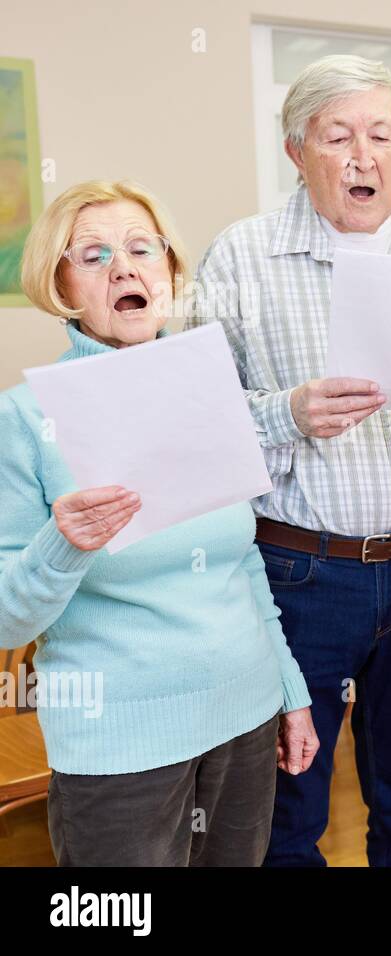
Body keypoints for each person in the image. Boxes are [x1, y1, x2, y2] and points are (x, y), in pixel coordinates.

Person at [187, 55, 391, 867]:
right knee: (291, 808)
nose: (361, 156)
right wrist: (290, 413)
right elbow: (194, 432)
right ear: (295, 150)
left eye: (381, 135)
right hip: (300, 577)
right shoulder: (239, 259)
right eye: (337, 136)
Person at [0, 180, 315, 866]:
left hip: (244, 717)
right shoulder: (23, 419)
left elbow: (243, 562)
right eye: (94, 255)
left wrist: (290, 692)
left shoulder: (209, 387)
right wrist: (65, 543)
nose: (125, 267)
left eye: (144, 248)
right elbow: (7, 621)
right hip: (121, 744)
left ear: (170, 272)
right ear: (59, 284)